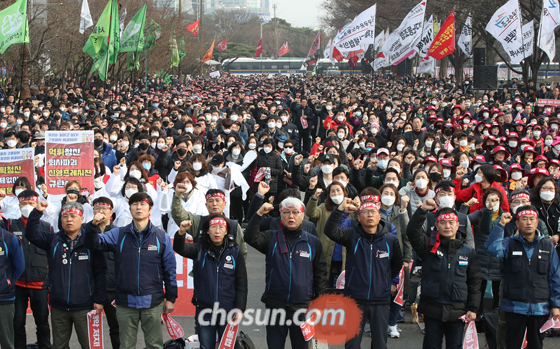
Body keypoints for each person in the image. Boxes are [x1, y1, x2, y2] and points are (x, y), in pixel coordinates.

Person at [84, 192, 177, 349]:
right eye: (135, 204)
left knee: (155, 345)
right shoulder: (118, 234)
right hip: (125, 302)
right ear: (130, 208)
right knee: (126, 345)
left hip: (152, 301)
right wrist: (93, 225)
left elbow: (170, 269)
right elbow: (93, 244)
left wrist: (171, 298)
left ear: (150, 208)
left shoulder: (161, 237)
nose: (139, 207)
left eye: (143, 204)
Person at [245, 198, 327, 349]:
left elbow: (320, 275)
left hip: (302, 308)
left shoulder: (313, 242)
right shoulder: (271, 237)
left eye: (296, 212)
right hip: (275, 305)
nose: (291, 216)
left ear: (303, 215)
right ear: (281, 215)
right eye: (286, 212)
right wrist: (258, 214)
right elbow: (250, 237)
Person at [25, 201, 107, 349]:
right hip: (59, 306)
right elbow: (30, 234)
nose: (69, 219)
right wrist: (37, 212)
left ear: (82, 219)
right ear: (60, 220)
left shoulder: (91, 241)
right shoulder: (53, 240)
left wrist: (100, 299)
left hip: (85, 307)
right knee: (59, 346)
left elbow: (100, 272)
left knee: (90, 345)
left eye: (73, 216)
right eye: (65, 216)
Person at [323, 197, 402, 349]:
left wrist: (385, 280)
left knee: (380, 344)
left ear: (379, 216)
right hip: (354, 299)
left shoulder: (390, 239)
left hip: (381, 300)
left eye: (373, 212)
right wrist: (341, 211)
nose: (370, 215)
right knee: (352, 344)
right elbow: (330, 231)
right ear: (358, 217)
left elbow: (396, 263)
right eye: (365, 212)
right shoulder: (351, 236)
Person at [407, 199, 482, 349]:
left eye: (451, 222)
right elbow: (412, 232)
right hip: (432, 309)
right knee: (431, 345)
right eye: (443, 222)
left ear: (457, 225)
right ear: (436, 225)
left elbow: (475, 282)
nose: (447, 226)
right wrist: (422, 211)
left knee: (455, 345)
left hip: (458, 311)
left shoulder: (468, 252)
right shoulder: (428, 247)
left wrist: (473, 309)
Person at [486, 207, 560, 349]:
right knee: (512, 344)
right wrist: (501, 224)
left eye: (532, 219)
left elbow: (555, 277)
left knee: (536, 345)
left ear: (537, 223)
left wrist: (556, 305)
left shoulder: (548, 246)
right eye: (524, 219)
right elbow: (492, 248)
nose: (528, 222)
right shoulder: (508, 243)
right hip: (514, 306)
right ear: (517, 223)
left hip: (540, 308)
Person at [173, 214, 248, 349]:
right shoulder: (199, 249)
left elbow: (241, 283)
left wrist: (240, 308)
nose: (217, 231)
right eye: (213, 227)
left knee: (227, 347)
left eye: (221, 227)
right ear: (207, 230)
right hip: (205, 310)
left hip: (228, 310)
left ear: (227, 231)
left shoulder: (235, 251)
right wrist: (181, 232)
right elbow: (180, 248)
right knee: (206, 346)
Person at [6, 190, 53, 349]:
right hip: (17, 283)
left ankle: (44, 346)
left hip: (39, 282)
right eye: (24, 204)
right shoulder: (10, 225)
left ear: (37, 205)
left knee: (42, 321)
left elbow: (51, 255)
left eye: (31, 204)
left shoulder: (47, 227)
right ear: (19, 205)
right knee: (17, 321)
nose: (28, 207)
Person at [171, 186, 247, 259]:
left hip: (228, 270)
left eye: (217, 200)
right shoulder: (199, 222)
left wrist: (240, 271)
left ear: (224, 204)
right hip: (202, 269)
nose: (214, 204)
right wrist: (177, 195)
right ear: (206, 205)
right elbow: (179, 215)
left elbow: (242, 252)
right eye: (211, 201)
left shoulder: (234, 226)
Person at [89, 197, 121, 349]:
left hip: (111, 288)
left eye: (104, 209)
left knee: (116, 328)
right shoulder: (86, 231)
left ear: (111, 212)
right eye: (97, 208)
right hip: (89, 287)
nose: (100, 212)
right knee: (87, 329)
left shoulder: (119, 233)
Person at [0, 204, 25, 349]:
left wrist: (8, 282)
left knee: (6, 339)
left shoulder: (9, 239)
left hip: (4, 298)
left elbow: (19, 266)